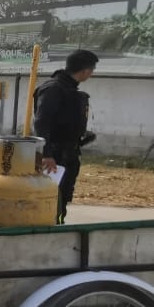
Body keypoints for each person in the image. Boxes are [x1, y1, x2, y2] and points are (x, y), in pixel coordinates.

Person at [33, 49, 98, 224]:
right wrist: (46, 154)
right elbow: (41, 122)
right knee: (51, 196)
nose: (91, 74)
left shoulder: (69, 89)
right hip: (54, 157)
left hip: (67, 154)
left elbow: (63, 122)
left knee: (62, 197)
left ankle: (57, 226)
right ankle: (49, 228)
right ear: (85, 70)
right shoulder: (54, 89)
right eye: (92, 70)